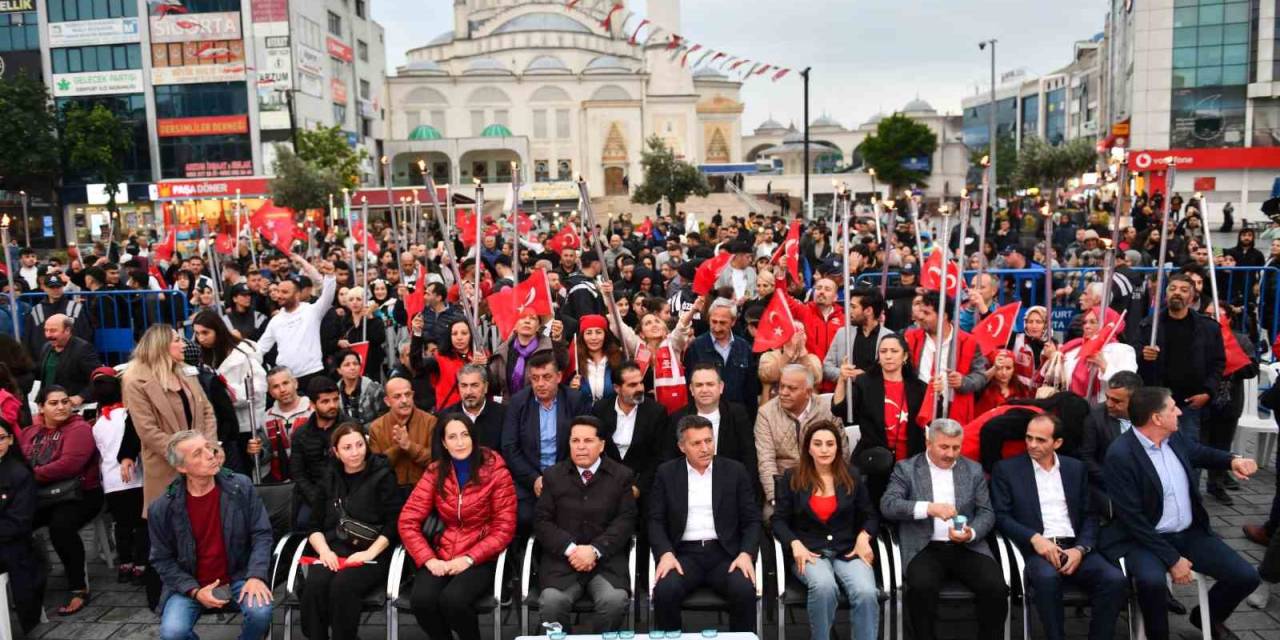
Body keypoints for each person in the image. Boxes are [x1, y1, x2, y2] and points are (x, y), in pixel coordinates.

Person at [1099, 387, 1261, 640]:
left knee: (1246, 576)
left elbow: (1199, 452)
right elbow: (1133, 520)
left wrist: (1232, 460)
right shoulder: (1121, 455)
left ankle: (1208, 617)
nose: (1178, 412)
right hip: (1143, 540)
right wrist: (1173, 559)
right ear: (1156, 418)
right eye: (1172, 408)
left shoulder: (1173, 437)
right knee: (1152, 583)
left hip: (1188, 533)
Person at [991, 414, 1127, 640]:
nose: (1032, 444)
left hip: (1074, 547)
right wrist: (1035, 539)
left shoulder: (1075, 469)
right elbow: (1001, 516)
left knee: (1114, 580)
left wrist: (1081, 549)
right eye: (1029, 437)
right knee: (1047, 579)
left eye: (1041, 440)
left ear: (1058, 443)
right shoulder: (1007, 469)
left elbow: (1090, 515)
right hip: (1036, 550)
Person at [879, 419, 1008, 640]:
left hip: (967, 547)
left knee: (995, 587)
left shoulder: (973, 470)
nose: (950, 454)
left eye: (956, 447)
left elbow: (987, 512)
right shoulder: (907, 468)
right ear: (929, 443)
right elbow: (888, 505)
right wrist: (928, 508)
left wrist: (972, 532)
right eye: (944, 447)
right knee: (921, 588)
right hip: (924, 546)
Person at [398, 414, 517, 640]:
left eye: (464, 435)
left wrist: (468, 559)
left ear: (473, 437)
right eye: (452, 437)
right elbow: (407, 520)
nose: (460, 443)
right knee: (421, 602)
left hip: (481, 555)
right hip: (442, 551)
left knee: (453, 601)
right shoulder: (436, 471)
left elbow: (504, 527)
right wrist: (428, 559)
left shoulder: (496, 471)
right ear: (443, 442)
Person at [148, 431, 274, 640]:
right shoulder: (163, 508)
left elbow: (261, 533)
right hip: (191, 584)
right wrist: (194, 591)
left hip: (239, 576)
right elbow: (161, 559)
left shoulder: (240, 486)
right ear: (181, 468)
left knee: (260, 613)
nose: (210, 455)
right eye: (198, 453)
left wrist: (255, 575)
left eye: (209, 447)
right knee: (172, 633)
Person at [649, 415, 761, 633]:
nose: (705, 448)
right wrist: (665, 553)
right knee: (665, 591)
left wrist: (746, 553)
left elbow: (752, 519)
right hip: (683, 554)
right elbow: (655, 520)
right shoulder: (667, 473)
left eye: (709, 441)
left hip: (725, 553)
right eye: (696, 443)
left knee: (743, 589)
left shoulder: (734, 471)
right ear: (682, 446)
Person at [769, 420, 880, 640]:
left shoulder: (852, 475)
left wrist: (864, 537)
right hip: (809, 551)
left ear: (837, 447)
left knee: (867, 593)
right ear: (808, 448)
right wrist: (794, 543)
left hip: (847, 551)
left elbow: (870, 515)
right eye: (817, 444)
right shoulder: (792, 478)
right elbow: (778, 520)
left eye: (830, 444)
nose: (824, 449)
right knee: (823, 587)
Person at [534, 416, 638, 632]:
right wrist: (571, 549)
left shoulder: (621, 476)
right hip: (561, 563)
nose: (581, 447)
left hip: (606, 562)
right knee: (552, 603)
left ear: (601, 445)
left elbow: (626, 521)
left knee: (614, 602)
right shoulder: (553, 476)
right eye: (575, 441)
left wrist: (595, 550)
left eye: (588, 441)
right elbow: (541, 521)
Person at [300, 423, 400, 640]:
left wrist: (368, 554)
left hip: (373, 551)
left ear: (367, 444)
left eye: (359, 445)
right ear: (336, 451)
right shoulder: (328, 477)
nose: (355, 452)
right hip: (334, 547)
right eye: (347, 448)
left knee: (342, 586)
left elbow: (394, 524)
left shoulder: (383, 474)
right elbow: (314, 524)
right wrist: (325, 552)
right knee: (315, 586)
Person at [20, 385, 102, 615]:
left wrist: (27, 477)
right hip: (39, 495)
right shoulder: (28, 432)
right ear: (41, 407)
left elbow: (69, 466)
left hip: (79, 494)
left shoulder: (79, 429)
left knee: (61, 527)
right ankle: (30, 580)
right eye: (54, 403)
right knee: (13, 523)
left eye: (65, 401)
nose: (61, 407)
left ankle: (78, 588)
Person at [121, 324, 216, 510]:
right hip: (166, 467)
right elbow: (147, 430)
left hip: (202, 462)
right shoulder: (134, 380)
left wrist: (208, 448)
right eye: (177, 340)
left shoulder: (186, 371)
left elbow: (207, 412)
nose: (184, 345)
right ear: (162, 345)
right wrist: (186, 455)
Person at [501, 351, 590, 530]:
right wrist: (534, 479)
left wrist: (557, 478)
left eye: (546, 377)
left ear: (558, 377)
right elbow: (510, 447)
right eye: (535, 378)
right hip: (529, 480)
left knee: (573, 518)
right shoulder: (519, 402)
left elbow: (584, 445)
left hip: (568, 478)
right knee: (523, 519)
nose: (540, 384)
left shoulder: (574, 399)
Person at [832, 333, 927, 499]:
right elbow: (839, 410)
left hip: (910, 458)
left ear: (904, 356)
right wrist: (841, 380)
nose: (888, 356)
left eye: (894, 351)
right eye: (883, 351)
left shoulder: (919, 388)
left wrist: (937, 393)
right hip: (875, 458)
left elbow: (932, 419)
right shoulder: (865, 383)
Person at [1136, 274, 1224, 451]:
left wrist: (1207, 392)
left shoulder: (1208, 328)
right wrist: (1143, 355)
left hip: (1189, 403)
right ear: (1166, 294)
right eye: (1173, 288)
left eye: (1184, 290)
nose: (1177, 293)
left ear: (1192, 298)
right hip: (1157, 401)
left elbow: (1218, 362)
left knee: (1190, 452)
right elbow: (1135, 355)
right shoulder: (1149, 325)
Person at [89, 367, 150, 585]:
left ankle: (125, 564)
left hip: (112, 482)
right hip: (136, 478)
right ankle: (142, 565)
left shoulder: (97, 425)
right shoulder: (129, 415)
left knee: (121, 524)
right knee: (142, 523)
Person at [754, 364, 843, 510]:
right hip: (785, 486)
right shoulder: (766, 414)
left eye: (792, 388)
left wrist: (832, 491)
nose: (783, 392)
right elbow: (766, 462)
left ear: (808, 392)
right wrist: (775, 497)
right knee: (772, 516)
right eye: (781, 386)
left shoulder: (828, 410)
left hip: (823, 484)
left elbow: (841, 454)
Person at [191, 309, 267, 476]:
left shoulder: (242, 355)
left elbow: (258, 388)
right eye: (197, 333)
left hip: (244, 425)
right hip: (218, 427)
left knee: (244, 474)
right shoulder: (200, 358)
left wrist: (225, 392)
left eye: (205, 332)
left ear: (218, 330)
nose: (201, 338)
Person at [905, 292, 988, 426]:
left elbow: (981, 376)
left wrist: (963, 382)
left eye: (926, 313)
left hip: (952, 411)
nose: (919, 317)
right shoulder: (910, 338)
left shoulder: (968, 342)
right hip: (917, 409)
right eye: (920, 312)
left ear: (943, 316)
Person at [256, 253, 336, 389]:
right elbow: (261, 348)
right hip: (288, 380)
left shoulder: (312, 311)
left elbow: (327, 298)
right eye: (279, 292)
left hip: (313, 373)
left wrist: (329, 276)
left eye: (285, 292)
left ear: (297, 294)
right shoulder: (275, 320)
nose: (280, 295)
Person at [0, 415, 45, 631]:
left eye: (0, 438)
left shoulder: (20, 474)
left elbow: (19, 522)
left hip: (12, 543)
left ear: (10, 440)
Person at [669, 363, 757, 473]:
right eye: (699, 385)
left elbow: (749, 458)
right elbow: (670, 461)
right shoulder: (677, 418)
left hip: (730, 482)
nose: (704, 390)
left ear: (721, 387)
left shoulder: (738, 415)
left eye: (710, 384)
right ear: (691, 389)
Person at [1078, 371, 1143, 515]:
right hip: (1112, 488)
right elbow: (1086, 458)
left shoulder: (1151, 415)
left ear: (1136, 400)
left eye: (1116, 401)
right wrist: (1112, 481)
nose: (1109, 404)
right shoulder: (1095, 416)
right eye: (1107, 397)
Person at [289, 377, 346, 530]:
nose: (333, 405)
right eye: (325, 401)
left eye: (335, 399)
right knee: (303, 524)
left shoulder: (350, 429)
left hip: (347, 494)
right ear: (313, 405)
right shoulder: (301, 434)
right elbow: (298, 473)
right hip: (313, 496)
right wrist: (317, 499)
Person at [368, 377, 439, 489]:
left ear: (413, 395)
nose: (404, 400)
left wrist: (410, 446)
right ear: (387, 401)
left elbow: (436, 460)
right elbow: (375, 466)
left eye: (407, 394)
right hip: (390, 493)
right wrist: (398, 447)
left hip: (425, 490)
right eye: (397, 396)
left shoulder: (430, 422)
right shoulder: (376, 427)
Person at [1055, 307, 1137, 403]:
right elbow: (1060, 381)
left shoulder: (1122, 350)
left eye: (1093, 322)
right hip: (1073, 407)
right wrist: (1056, 364)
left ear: (1107, 323)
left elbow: (1129, 384)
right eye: (1085, 322)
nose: (1086, 326)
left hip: (1104, 409)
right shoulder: (1073, 349)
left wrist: (1104, 367)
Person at [684, 298, 754, 407]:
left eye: (722, 323)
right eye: (714, 322)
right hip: (705, 414)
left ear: (733, 321)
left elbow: (750, 390)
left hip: (737, 416)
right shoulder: (696, 347)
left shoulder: (744, 348)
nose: (717, 328)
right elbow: (689, 386)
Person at [487, 309, 567, 399]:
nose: (527, 321)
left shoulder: (549, 348)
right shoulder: (503, 350)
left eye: (532, 318)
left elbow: (561, 365)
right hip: (510, 409)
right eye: (522, 317)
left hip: (539, 407)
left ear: (538, 326)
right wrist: (483, 366)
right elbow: (493, 385)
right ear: (515, 324)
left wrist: (557, 340)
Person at [822, 288, 894, 386]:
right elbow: (826, 367)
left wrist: (867, 377)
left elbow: (894, 372)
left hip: (877, 397)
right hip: (847, 396)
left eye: (853, 307)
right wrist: (844, 374)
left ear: (868, 311)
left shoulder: (890, 337)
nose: (849, 311)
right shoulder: (842, 334)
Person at [255, 366, 313, 482]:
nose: (282, 389)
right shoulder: (266, 418)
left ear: (295, 383)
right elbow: (265, 457)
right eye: (276, 386)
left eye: (285, 383)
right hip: (281, 482)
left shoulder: (314, 411)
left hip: (312, 478)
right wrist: (258, 452)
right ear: (270, 392)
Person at [36, 313, 102, 407]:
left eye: (53, 331)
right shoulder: (46, 347)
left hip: (72, 407)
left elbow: (98, 378)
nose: (48, 335)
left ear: (67, 330)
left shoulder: (82, 349)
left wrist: (81, 396)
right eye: (46, 330)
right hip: (48, 406)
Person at [439, 364, 506, 453]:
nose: (469, 392)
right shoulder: (446, 416)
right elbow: (439, 455)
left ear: (485, 387)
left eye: (474, 385)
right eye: (464, 386)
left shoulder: (503, 414)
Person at [759, 320, 822, 403]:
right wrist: (787, 355)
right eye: (793, 334)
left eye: (801, 334)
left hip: (806, 410)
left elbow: (816, 379)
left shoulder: (812, 358)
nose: (798, 338)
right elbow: (767, 376)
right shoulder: (769, 356)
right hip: (774, 409)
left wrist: (803, 355)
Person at [569, 314, 624, 405]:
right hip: (584, 416)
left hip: (611, 415)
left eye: (598, 332)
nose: (594, 338)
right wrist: (571, 389)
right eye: (589, 333)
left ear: (605, 335)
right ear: (582, 336)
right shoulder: (574, 361)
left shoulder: (619, 359)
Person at [333, 348, 385, 425]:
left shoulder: (374, 390)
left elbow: (384, 417)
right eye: (347, 365)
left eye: (355, 364)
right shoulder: (335, 392)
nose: (352, 368)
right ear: (339, 370)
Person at [975, 349, 1034, 415]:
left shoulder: (1021, 390)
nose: (1004, 373)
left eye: (1008, 368)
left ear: (1014, 369)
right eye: (999, 368)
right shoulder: (983, 390)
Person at [1010, 305, 1057, 389]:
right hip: (1019, 396)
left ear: (1046, 324)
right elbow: (997, 328)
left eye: (1038, 322)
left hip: (1042, 398)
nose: (1034, 326)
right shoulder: (1016, 339)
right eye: (1030, 322)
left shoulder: (1054, 346)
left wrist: (1052, 357)